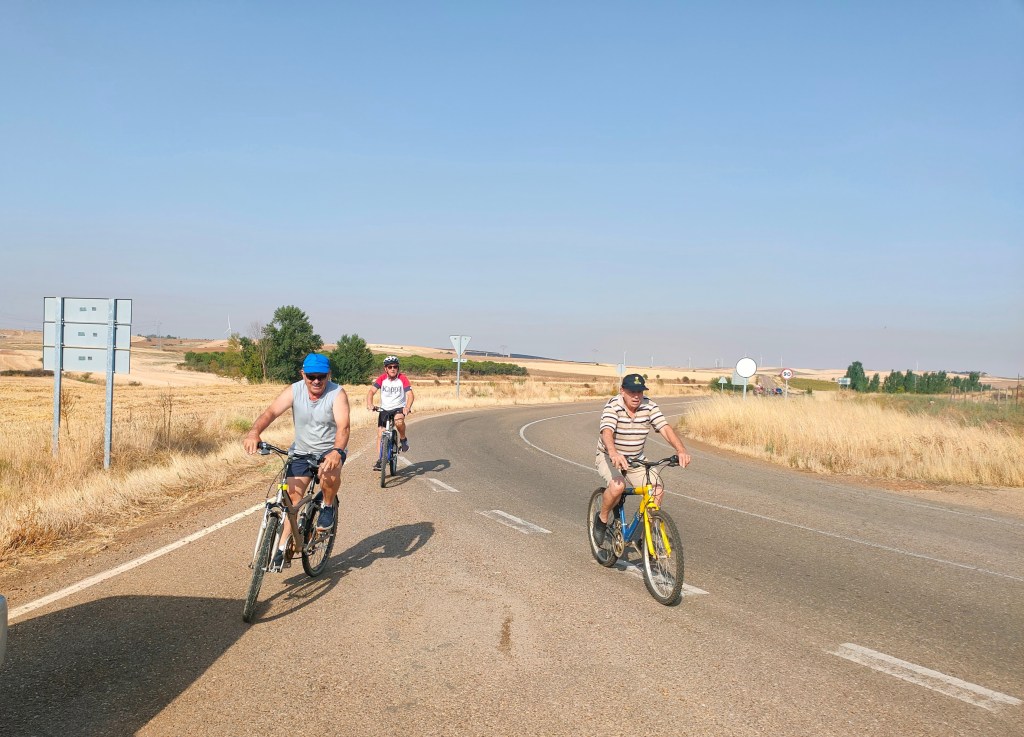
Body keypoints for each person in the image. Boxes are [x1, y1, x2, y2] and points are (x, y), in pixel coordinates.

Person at [243, 353, 350, 568]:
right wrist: (254, 433)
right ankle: (282, 547)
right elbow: (270, 412)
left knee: (328, 474)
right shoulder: (294, 390)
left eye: (321, 376)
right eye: (311, 376)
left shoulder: (337, 394)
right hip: (301, 452)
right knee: (292, 500)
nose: (316, 381)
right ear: (303, 374)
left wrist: (337, 451)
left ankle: (328, 506)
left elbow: (343, 427)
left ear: (328, 375)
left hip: (329, 451)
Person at [593, 373, 691, 544]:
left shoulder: (649, 405)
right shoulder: (613, 406)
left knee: (656, 490)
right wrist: (614, 453)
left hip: (636, 459)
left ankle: (644, 537)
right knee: (617, 487)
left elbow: (665, 428)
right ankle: (602, 518)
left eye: (640, 391)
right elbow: (606, 431)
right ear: (622, 391)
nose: (636, 396)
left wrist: (681, 450)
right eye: (632, 392)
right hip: (609, 456)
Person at [366, 355, 414, 471]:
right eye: (390, 367)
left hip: (398, 408)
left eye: (395, 367)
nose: (393, 369)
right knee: (380, 434)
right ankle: (380, 460)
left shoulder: (402, 378)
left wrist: (407, 407)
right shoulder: (382, 379)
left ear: (398, 368)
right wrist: (370, 404)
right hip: (385, 409)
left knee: (399, 421)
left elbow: (410, 395)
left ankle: (403, 439)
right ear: (385, 369)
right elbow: (371, 392)